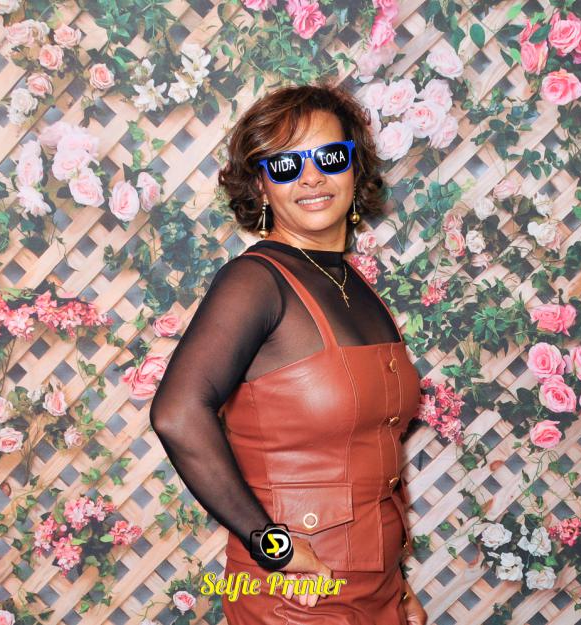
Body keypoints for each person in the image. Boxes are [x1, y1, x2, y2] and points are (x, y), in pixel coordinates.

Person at [150, 82, 427, 625]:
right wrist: (271, 547)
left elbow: (369, 462)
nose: (311, 177)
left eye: (329, 157)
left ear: (354, 168)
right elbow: (177, 414)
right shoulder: (256, 281)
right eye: (285, 165)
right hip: (296, 597)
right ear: (261, 184)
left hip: (376, 590)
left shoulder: (354, 286)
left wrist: (395, 587)